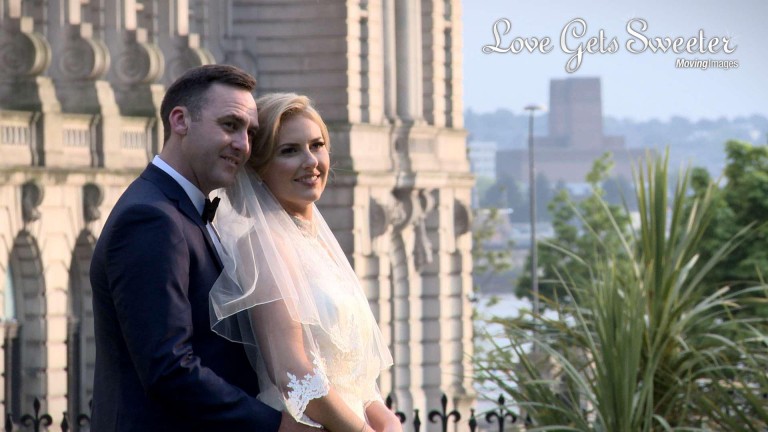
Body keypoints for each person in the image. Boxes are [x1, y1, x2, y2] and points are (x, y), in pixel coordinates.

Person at [90, 65, 315, 431]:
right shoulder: (151, 218)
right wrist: (275, 426)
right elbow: (169, 368)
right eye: (230, 125)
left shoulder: (187, 211)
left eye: (250, 132)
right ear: (180, 121)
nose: (243, 144)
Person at [209, 93, 403, 432]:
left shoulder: (318, 244)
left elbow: (350, 374)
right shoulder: (261, 244)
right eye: (289, 150)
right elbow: (293, 372)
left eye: (317, 145)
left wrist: (386, 420)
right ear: (259, 169)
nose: (311, 161)